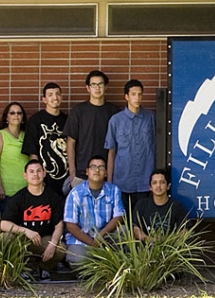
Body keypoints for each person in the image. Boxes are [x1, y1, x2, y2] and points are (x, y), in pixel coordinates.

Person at [0, 160, 66, 280]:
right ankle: (19, 269)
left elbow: (59, 225)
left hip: (43, 239)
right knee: (4, 239)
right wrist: (26, 231)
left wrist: (52, 244)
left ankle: (43, 268)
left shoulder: (53, 197)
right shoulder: (18, 198)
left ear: (44, 173)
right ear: (25, 176)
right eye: (31, 171)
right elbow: (4, 224)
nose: (35, 174)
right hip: (22, 239)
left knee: (60, 248)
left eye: (38, 171)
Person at [64, 70, 120, 193]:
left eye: (100, 84)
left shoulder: (114, 112)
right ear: (88, 88)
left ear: (105, 87)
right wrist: (72, 174)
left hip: (105, 174)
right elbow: (70, 143)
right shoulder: (78, 111)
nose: (97, 88)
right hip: (81, 174)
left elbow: (114, 148)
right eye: (93, 85)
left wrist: (110, 177)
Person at [63, 155, 125, 265]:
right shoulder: (75, 193)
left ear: (106, 172)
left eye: (101, 167)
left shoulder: (114, 190)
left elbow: (118, 217)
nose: (97, 170)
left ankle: (107, 263)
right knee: (77, 259)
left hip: (105, 237)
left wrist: (100, 236)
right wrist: (92, 242)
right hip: (82, 240)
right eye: (93, 167)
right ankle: (100, 262)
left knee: (124, 231)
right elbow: (70, 225)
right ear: (87, 171)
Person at [105, 79, 155, 213]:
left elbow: (156, 146)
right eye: (133, 94)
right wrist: (109, 181)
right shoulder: (116, 120)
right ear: (126, 96)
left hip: (146, 179)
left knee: (144, 220)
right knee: (123, 220)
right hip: (123, 180)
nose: (137, 98)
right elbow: (111, 151)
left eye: (140, 94)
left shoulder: (150, 117)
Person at [22, 82, 69, 195]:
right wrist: (38, 178)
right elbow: (32, 152)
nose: (55, 97)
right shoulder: (36, 120)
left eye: (58, 94)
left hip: (66, 179)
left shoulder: (68, 120)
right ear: (44, 99)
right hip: (45, 179)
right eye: (50, 95)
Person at [132, 169, 186, 242]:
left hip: (171, 248)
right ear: (150, 187)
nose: (158, 186)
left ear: (168, 186)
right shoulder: (142, 204)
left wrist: (168, 241)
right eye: (154, 183)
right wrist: (148, 239)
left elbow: (184, 230)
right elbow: (135, 229)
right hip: (145, 249)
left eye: (162, 182)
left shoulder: (177, 206)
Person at [0, 103, 29, 198]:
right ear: (6, 118)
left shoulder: (27, 135)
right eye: (12, 113)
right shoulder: (0, 135)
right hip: (6, 189)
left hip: (26, 188)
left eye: (19, 113)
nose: (16, 115)